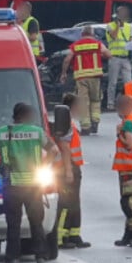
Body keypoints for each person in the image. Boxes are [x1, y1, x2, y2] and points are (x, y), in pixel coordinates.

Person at [0, 102, 57, 263]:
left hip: (12, 185)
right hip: (33, 186)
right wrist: (43, 166)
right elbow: (54, 150)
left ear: (15, 116)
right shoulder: (37, 132)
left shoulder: (3, 132)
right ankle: (41, 258)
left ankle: (12, 259)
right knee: (36, 222)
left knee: (13, 224)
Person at [56, 93, 91, 249]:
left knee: (74, 202)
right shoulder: (66, 123)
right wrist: (69, 170)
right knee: (66, 202)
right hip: (68, 166)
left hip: (72, 165)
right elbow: (64, 146)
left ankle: (73, 234)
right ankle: (60, 237)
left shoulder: (67, 121)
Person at [60, 26, 108, 134]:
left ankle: (85, 127)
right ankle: (95, 122)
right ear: (92, 34)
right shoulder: (97, 44)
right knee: (95, 100)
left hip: (81, 78)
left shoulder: (76, 45)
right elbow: (108, 54)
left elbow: (67, 59)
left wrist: (64, 73)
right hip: (95, 77)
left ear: (82, 34)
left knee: (82, 101)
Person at [112, 94, 132, 247]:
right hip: (129, 166)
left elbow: (129, 144)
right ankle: (129, 234)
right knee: (130, 199)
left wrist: (119, 134)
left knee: (127, 201)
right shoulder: (131, 120)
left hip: (128, 167)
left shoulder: (129, 122)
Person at [104, 6, 132, 109]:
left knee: (128, 82)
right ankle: (110, 103)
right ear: (116, 15)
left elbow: (131, 40)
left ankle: (130, 102)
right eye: (121, 13)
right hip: (114, 57)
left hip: (125, 57)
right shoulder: (110, 26)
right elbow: (114, 36)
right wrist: (117, 25)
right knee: (113, 82)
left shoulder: (129, 27)